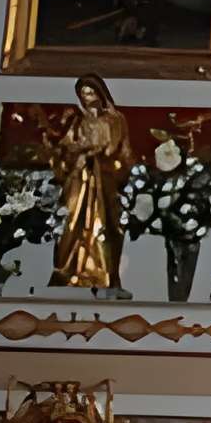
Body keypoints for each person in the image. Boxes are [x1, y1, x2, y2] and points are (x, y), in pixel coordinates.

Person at [51, 75, 133, 295]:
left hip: (105, 178)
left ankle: (103, 273)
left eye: (90, 92)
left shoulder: (115, 120)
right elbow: (66, 146)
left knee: (104, 225)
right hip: (79, 179)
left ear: (100, 93)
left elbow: (121, 150)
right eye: (83, 94)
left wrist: (97, 157)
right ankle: (70, 271)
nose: (87, 98)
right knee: (71, 223)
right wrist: (72, 155)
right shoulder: (78, 121)